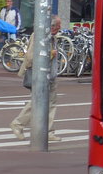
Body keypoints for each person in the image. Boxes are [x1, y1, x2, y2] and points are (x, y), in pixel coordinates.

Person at [9, 14, 63, 142]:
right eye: (58, 25)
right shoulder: (38, 35)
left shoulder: (52, 37)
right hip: (41, 75)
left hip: (50, 75)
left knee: (50, 103)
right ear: (52, 26)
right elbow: (31, 57)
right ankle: (18, 124)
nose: (60, 28)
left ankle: (48, 131)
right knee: (38, 102)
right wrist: (50, 54)